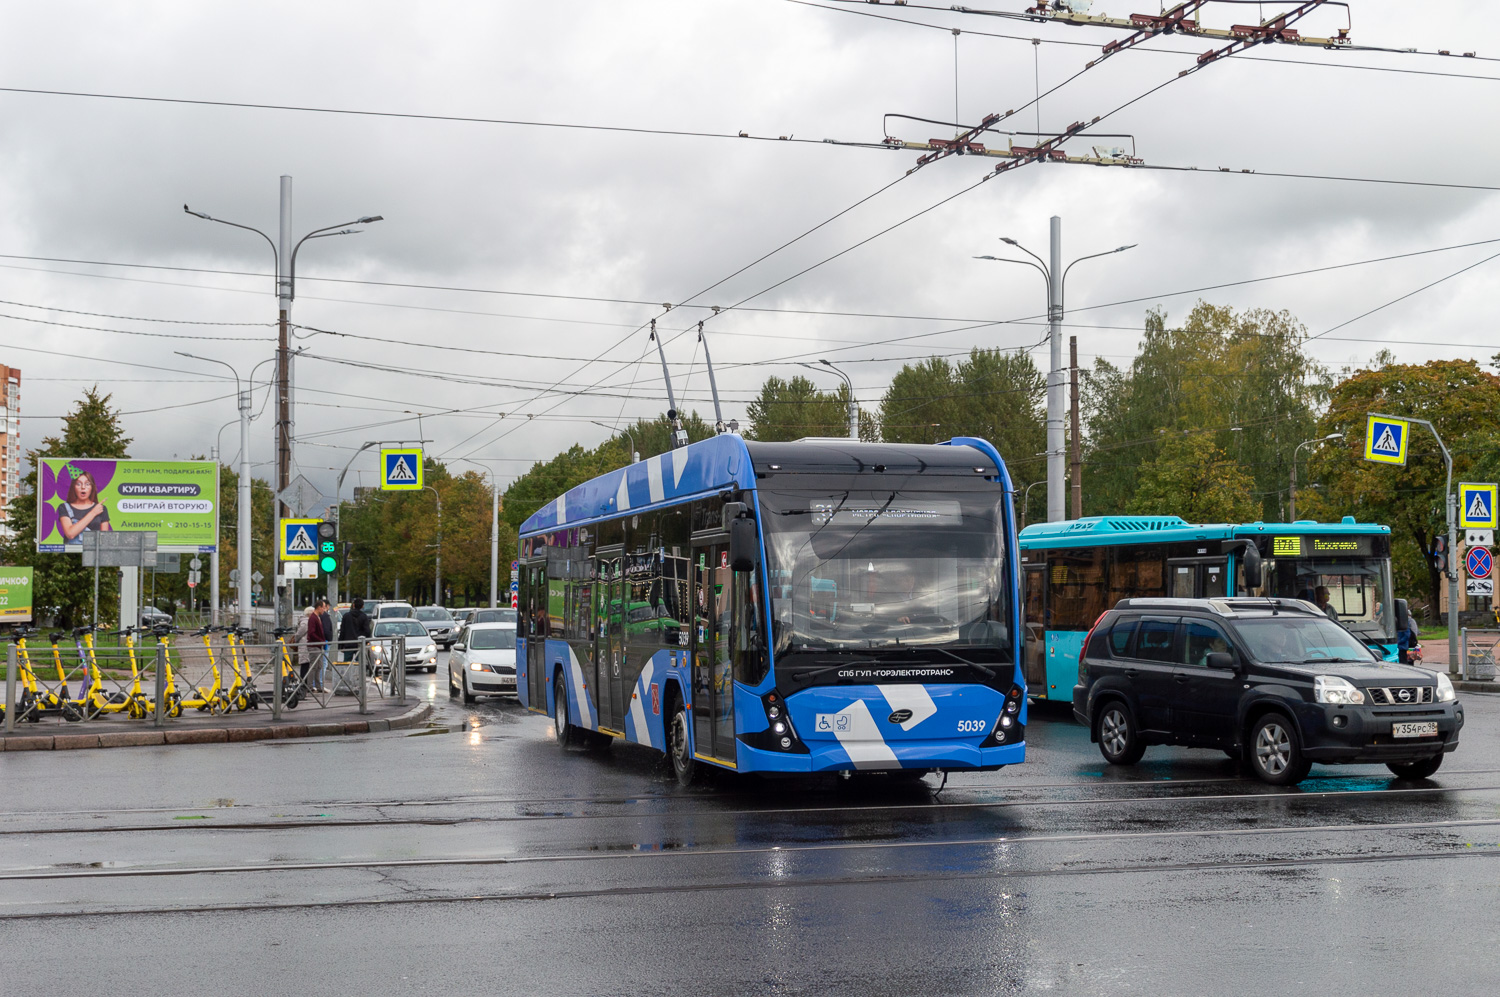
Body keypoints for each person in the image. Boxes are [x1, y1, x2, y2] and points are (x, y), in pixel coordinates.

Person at [57, 471, 111, 541]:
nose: (83, 487)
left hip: (94, 551)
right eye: (78, 484)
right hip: (72, 551)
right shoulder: (64, 507)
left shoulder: (101, 509)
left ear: (92, 487)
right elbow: (70, 534)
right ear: (74, 487)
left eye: (87, 484)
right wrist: (93, 513)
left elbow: (105, 539)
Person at [314, 597, 333, 692]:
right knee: (323, 664)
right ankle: (319, 684)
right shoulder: (325, 616)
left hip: (320, 641)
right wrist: (329, 639)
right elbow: (326, 630)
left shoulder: (318, 615)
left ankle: (316, 684)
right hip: (324, 641)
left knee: (318, 663)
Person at [295, 605, 316, 690]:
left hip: (305, 645)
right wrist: (296, 639)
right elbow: (299, 633)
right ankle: (303, 684)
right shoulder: (306, 622)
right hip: (304, 645)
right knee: (305, 665)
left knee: (306, 664)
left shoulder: (306, 621)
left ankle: (305, 684)